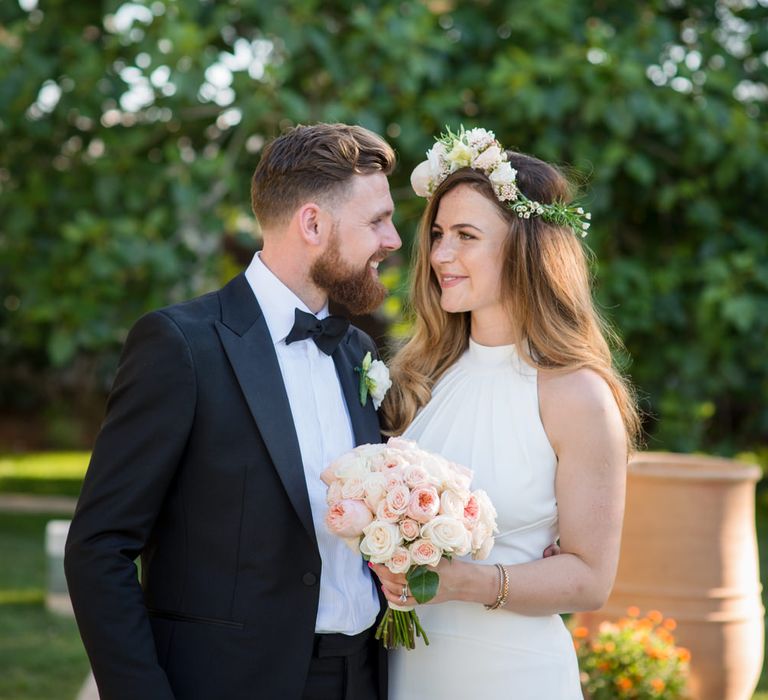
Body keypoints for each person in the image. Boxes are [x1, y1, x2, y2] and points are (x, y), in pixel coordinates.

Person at [64, 123, 401, 700]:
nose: (393, 239)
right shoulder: (180, 345)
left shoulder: (359, 355)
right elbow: (99, 548)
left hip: (362, 678)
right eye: (376, 221)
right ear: (313, 224)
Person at [372, 128, 640, 699]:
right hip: (406, 672)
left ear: (527, 247)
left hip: (511, 674)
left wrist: (467, 583)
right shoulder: (418, 378)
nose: (441, 255)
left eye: (466, 235)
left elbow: (591, 579)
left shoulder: (577, 395)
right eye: (439, 234)